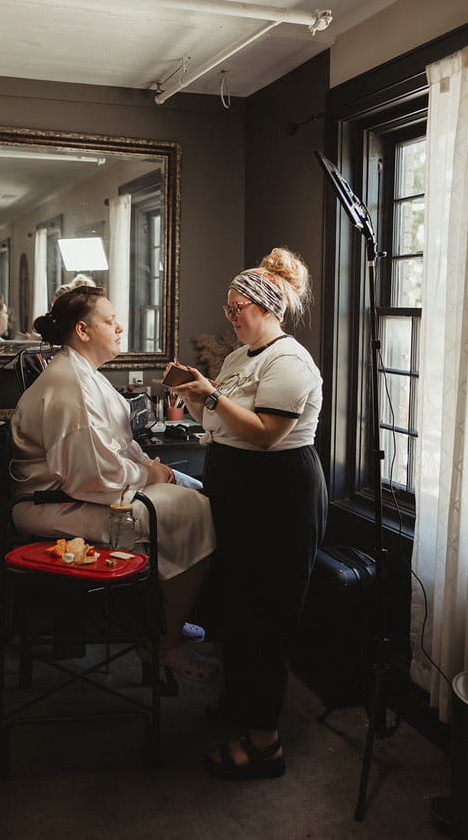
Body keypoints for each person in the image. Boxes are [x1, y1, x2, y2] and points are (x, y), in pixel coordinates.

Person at [10, 284, 217, 682]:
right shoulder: (70, 385)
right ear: (83, 330)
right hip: (53, 506)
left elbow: (114, 449)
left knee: (191, 488)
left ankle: (164, 616)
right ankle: (167, 640)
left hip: (78, 494)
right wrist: (151, 475)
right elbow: (92, 476)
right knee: (194, 509)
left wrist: (152, 468)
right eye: (110, 321)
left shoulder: (85, 374)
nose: (121, 327)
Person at [173, 247, 328, 780]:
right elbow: (219, 424)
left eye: (238, 307)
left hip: (277, 495)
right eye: (229, 307)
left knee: (266, 614)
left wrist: (212, 397)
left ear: (267, 308)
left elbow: (265, 434)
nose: (230, 315)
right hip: (238, 490)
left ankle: (265, 744)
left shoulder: (290, 362)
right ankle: (242, 705)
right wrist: (195, 395)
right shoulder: (240, 358)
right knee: (238, 608)